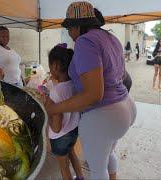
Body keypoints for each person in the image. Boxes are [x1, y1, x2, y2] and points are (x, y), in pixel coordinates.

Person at [44, 2, 137, 179]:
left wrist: (54, 108)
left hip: (104, 114)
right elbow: (121, 75)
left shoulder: (85, 41)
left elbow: (94, 94)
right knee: (108, 154)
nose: (70, 35)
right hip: (125, 106)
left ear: (78, 26)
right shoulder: (111, 38)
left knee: (97, 169)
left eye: (70, 29)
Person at [43, 43, 84, 180]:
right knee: (72, 153)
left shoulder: (55, 92)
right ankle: (80, 177)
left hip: (60, 136)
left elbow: (56, 127)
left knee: (63, 165)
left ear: (55, 66)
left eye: (49, 67)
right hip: (73, 131)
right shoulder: (74, 85)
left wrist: (46, 113)